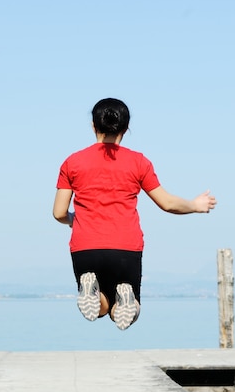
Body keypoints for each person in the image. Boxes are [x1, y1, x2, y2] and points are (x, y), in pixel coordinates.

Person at [53, 98, 217, 330]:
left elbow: (58, 212)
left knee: (98, 309)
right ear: (126, 128)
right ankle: (126, 297)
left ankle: (93, 291)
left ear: (93, 126)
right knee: (125, 314)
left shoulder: (73, 162)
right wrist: (195, 205)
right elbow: (167, 203)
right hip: (125, 248)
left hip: (85, 247)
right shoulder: (138, 162)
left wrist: (72, 219)